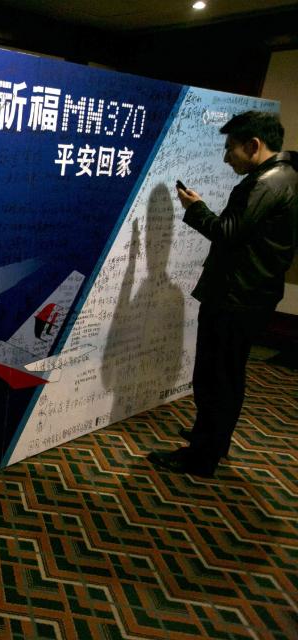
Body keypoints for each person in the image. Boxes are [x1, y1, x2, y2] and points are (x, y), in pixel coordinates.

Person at [147, 110, 298, 478]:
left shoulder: (268, 183)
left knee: (216, 377)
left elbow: (228, 232)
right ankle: (212, 439)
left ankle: (201, 457)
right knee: (227, 375)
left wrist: (195, 208)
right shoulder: (286, 176)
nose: (226, 157)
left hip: (235, 297)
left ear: (254, 145)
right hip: (251, 295)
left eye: (230, 148)